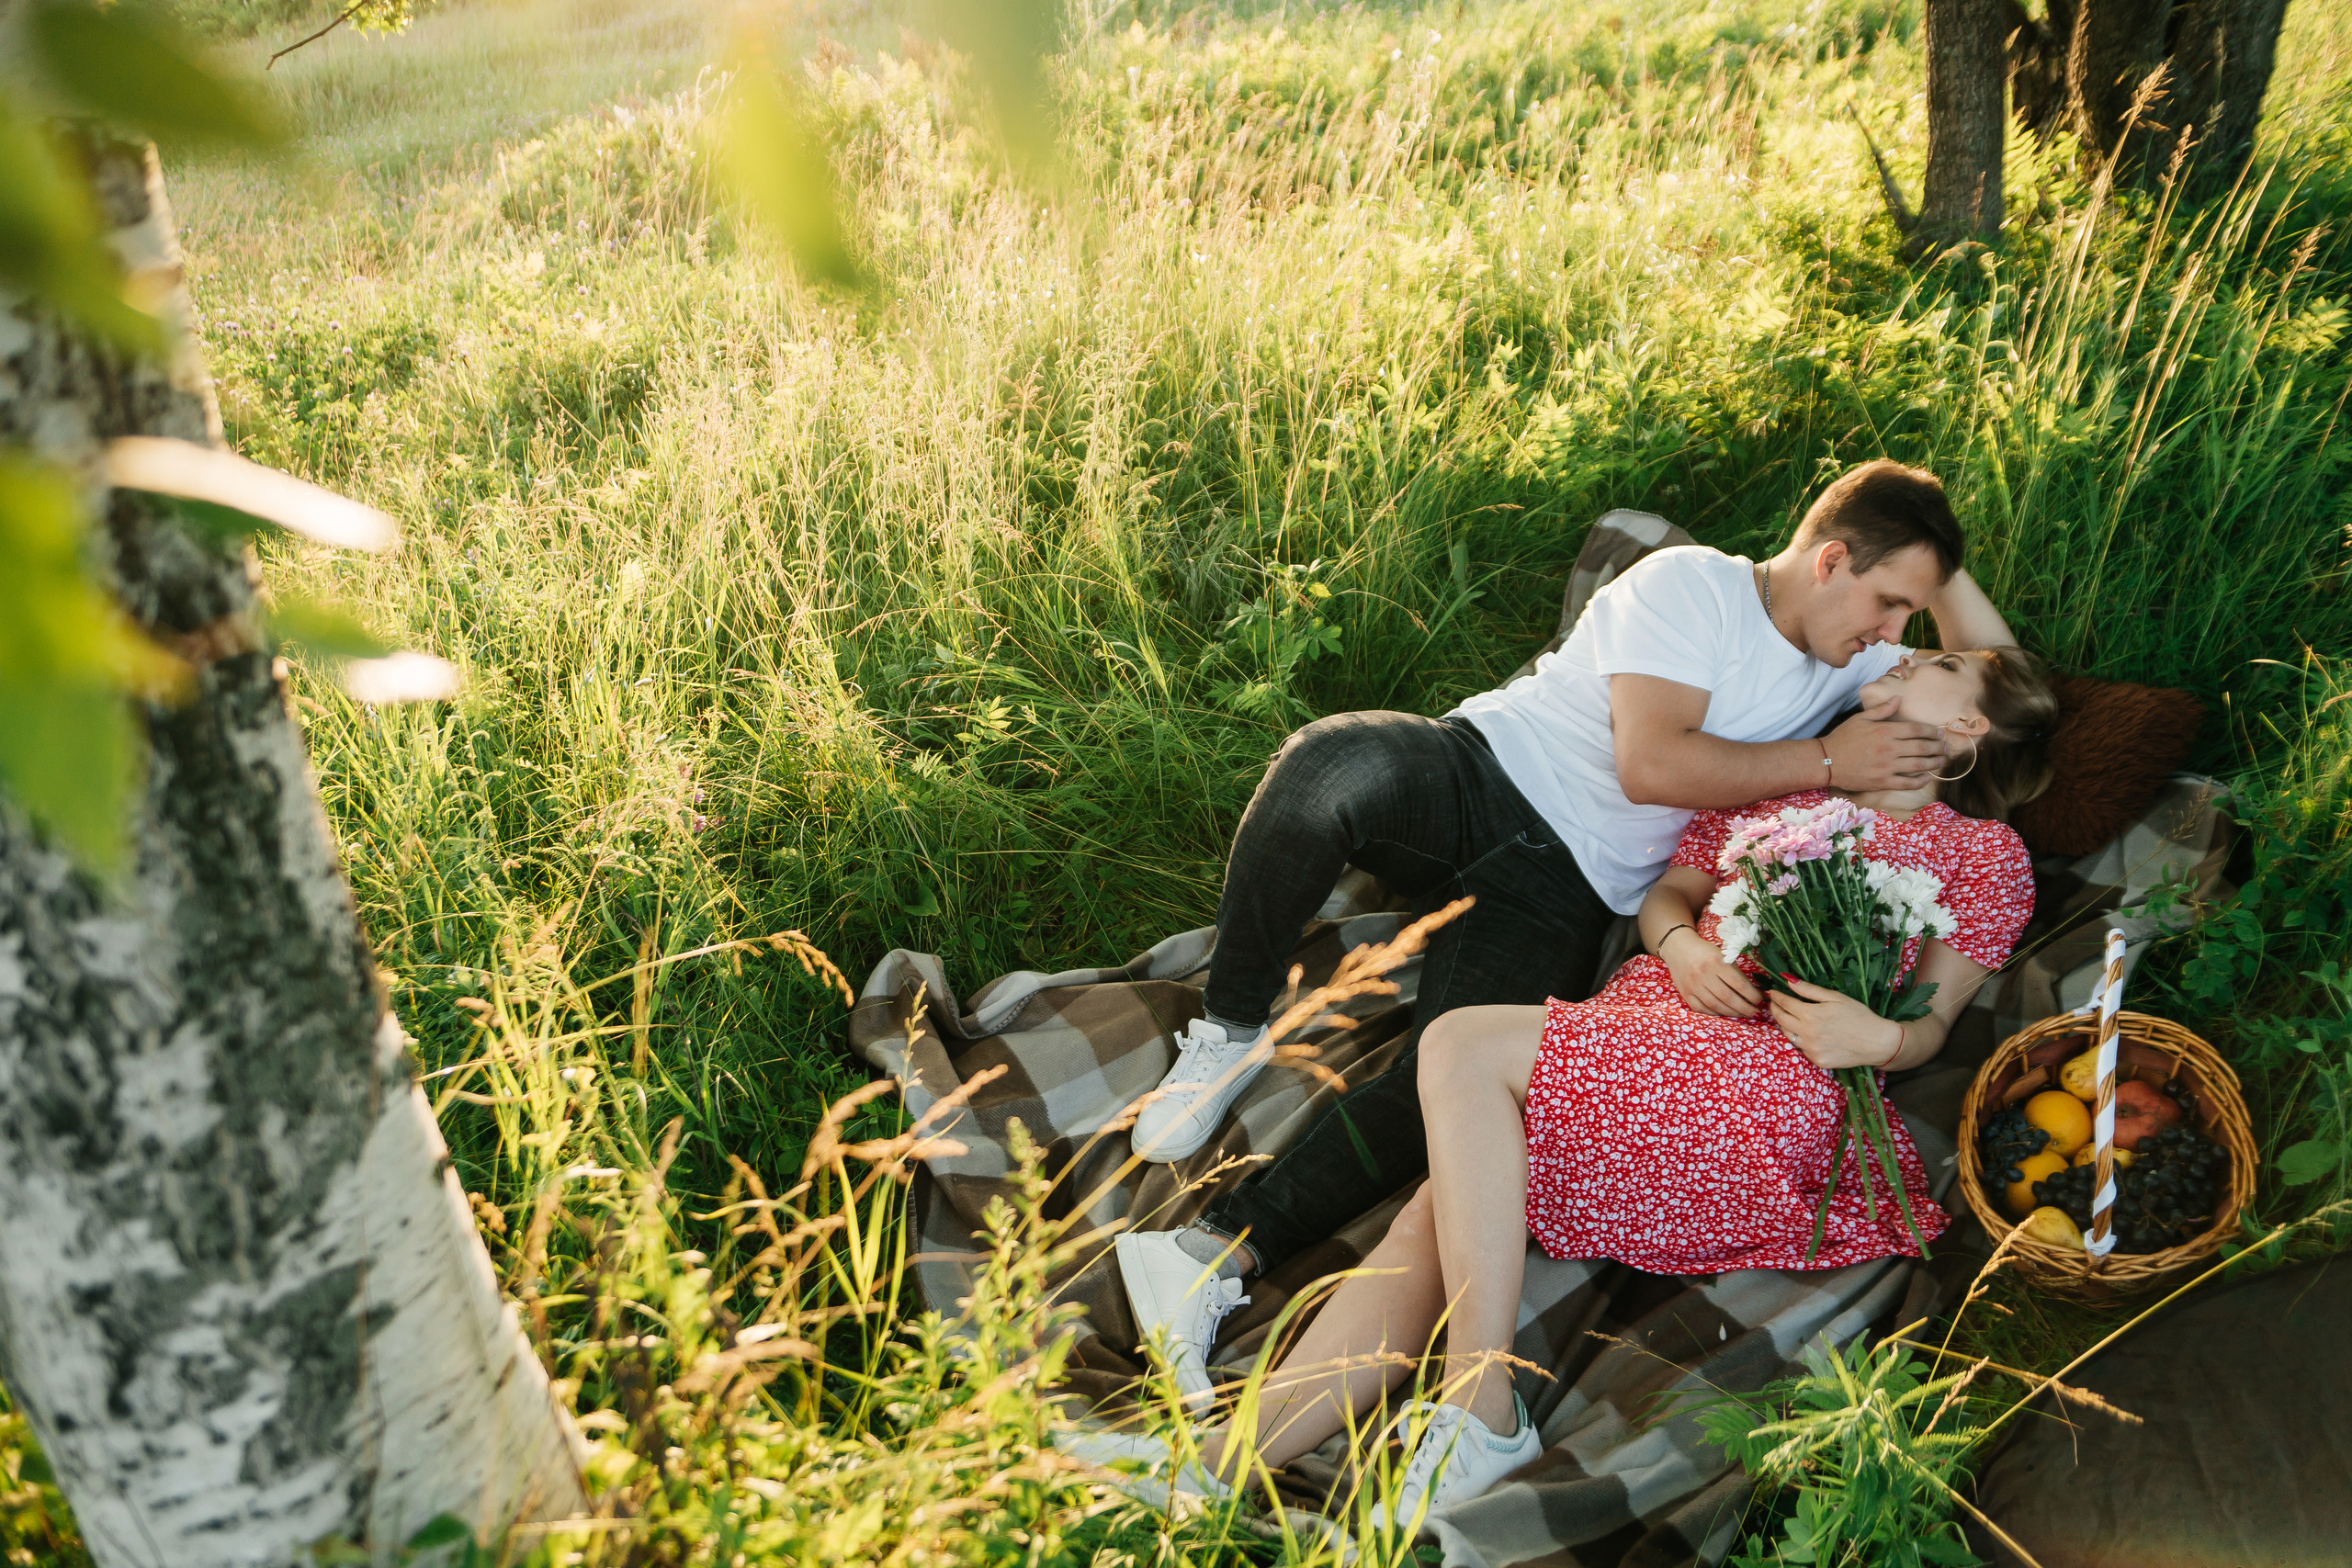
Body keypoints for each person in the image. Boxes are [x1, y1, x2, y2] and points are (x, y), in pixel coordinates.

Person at [1075, 642, 2058, 1530]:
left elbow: (1927, 1028)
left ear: (1967, 728)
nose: (1895, 658)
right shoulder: (1785, 786)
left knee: (1459, 1045)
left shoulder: (1983, 857)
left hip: (1778, 1071)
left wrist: (1871, 1033)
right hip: (1653, 1026)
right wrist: (1675, 947)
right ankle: (1211, 1467)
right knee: (1436, 1215)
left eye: (1932, 663)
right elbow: (1672, 897)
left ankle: (1481, 1403)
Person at [1115, 461, 2017, 1404]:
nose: (1897, 634)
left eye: (1912, 617)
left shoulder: (1866, 664)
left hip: (1571, 889)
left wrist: (1929, 545)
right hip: (1479, 772)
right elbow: (1651, 762)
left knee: (1444, 1077)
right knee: (1327, 768)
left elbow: (2009, 681)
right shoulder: (1693, 583)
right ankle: (1229, 1025)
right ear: (1830, 559)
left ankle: (1207, 1252)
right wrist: (1831, 759)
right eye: (1886, 602)